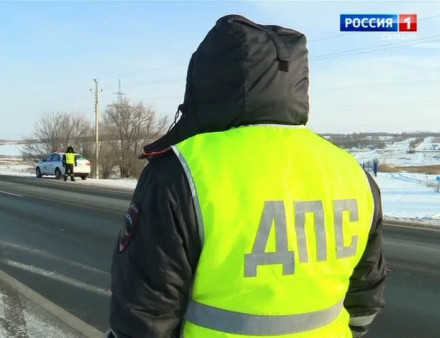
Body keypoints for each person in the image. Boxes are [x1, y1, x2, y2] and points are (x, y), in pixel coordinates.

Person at [108, 15, 386, 338]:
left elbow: (143, 316)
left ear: (207, 81)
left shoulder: (181, 171)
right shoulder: (353, 174)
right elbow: (365, 303)